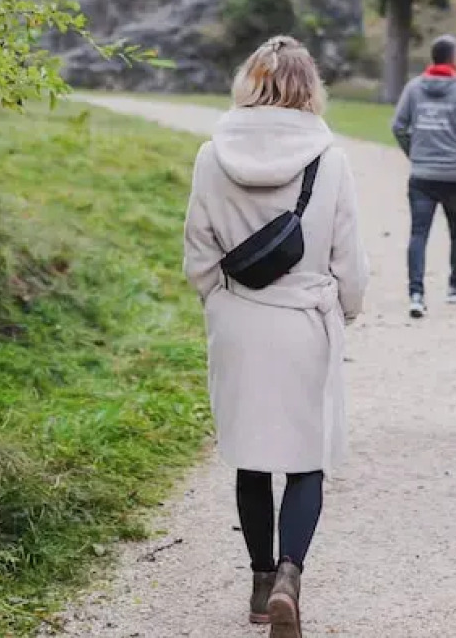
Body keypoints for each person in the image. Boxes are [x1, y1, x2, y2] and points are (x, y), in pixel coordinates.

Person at [183, 36, 369, 638]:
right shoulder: (330, 159)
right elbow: (351, 262)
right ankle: (292, 572)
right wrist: (345, 309)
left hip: (239, 320)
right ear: (309, 87)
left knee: (251, 456)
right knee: (306, 455)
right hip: (304, 323)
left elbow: (198, 253)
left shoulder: (212, 156)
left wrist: (221, 301)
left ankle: (261, 584)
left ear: (250, 83)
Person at [391, 34, 456, 318]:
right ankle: (455, 288)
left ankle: (416, 294)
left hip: (422, 175)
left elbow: (399, 126)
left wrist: (414, 153)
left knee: (419, 233)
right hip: (455, 175)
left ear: (432, 57)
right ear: (454, 58)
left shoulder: (413, 88)